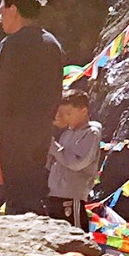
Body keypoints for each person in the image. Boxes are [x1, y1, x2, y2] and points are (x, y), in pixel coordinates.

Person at [0, 0, 65, 216]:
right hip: (40, 132)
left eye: (2, 12)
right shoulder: (52, 43)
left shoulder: (13, 44)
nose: (0, 19)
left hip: (13, 134)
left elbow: (1, 91)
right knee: (33, 190)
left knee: (17, 194)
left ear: (13, 10)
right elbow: (56, 91)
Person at [45, 89, 103, 231]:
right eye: (62, 113)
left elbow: (77, 163)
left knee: (75, 232)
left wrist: (54, 148)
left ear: (83, 111)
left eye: (69, 113)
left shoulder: (91, 133)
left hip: (72, 195)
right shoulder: (66, 134)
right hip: (55, 192)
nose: (65, 117)